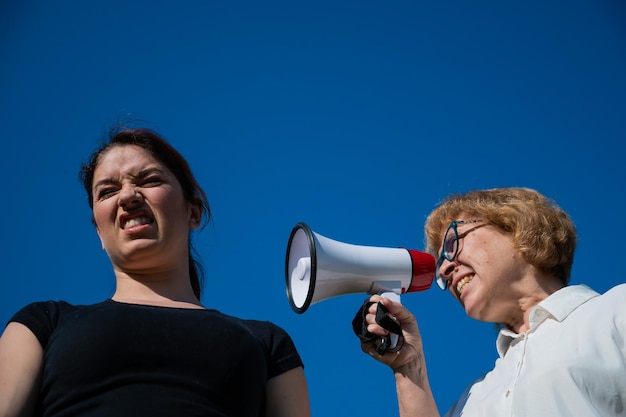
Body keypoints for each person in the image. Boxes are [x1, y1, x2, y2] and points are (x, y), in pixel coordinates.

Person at [0, 127, 310, 417]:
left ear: (194, 211)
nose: (128, 196)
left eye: (149, 180)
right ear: (99, 233)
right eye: (107, 191)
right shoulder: (42, 324)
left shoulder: (267, 343)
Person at [357, 187, 626, 416]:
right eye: (441, 262)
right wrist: (408, 367)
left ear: (517, 228)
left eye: (452, 243)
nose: (444, 270)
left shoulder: (615, 311)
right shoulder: (473, 399)